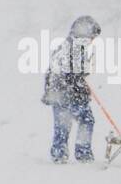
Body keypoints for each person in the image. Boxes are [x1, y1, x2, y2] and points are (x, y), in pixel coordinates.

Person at [43, 15, 101, 163]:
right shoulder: (74, 48)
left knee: (64, 125)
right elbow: (69, 74)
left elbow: (55, 72)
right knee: (84, 121)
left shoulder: (67, 46)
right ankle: (82, 154)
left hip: (59, 94)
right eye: (92, 36)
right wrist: (80, 84)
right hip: (68, 94)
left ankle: (59, 154)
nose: (92, 41)